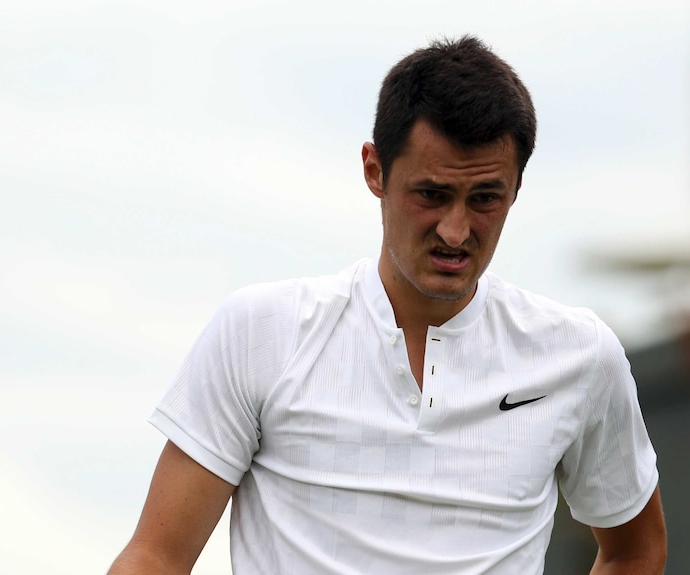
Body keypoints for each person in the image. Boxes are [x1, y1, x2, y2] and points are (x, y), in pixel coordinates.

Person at [108, 36, 667, 574]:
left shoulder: (580, 354)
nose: (455, 230)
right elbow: (156, 557)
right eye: (431, 194)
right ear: (375, 170)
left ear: (517, 187)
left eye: (485, 199)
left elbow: (633, 551)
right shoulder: (263, 331)